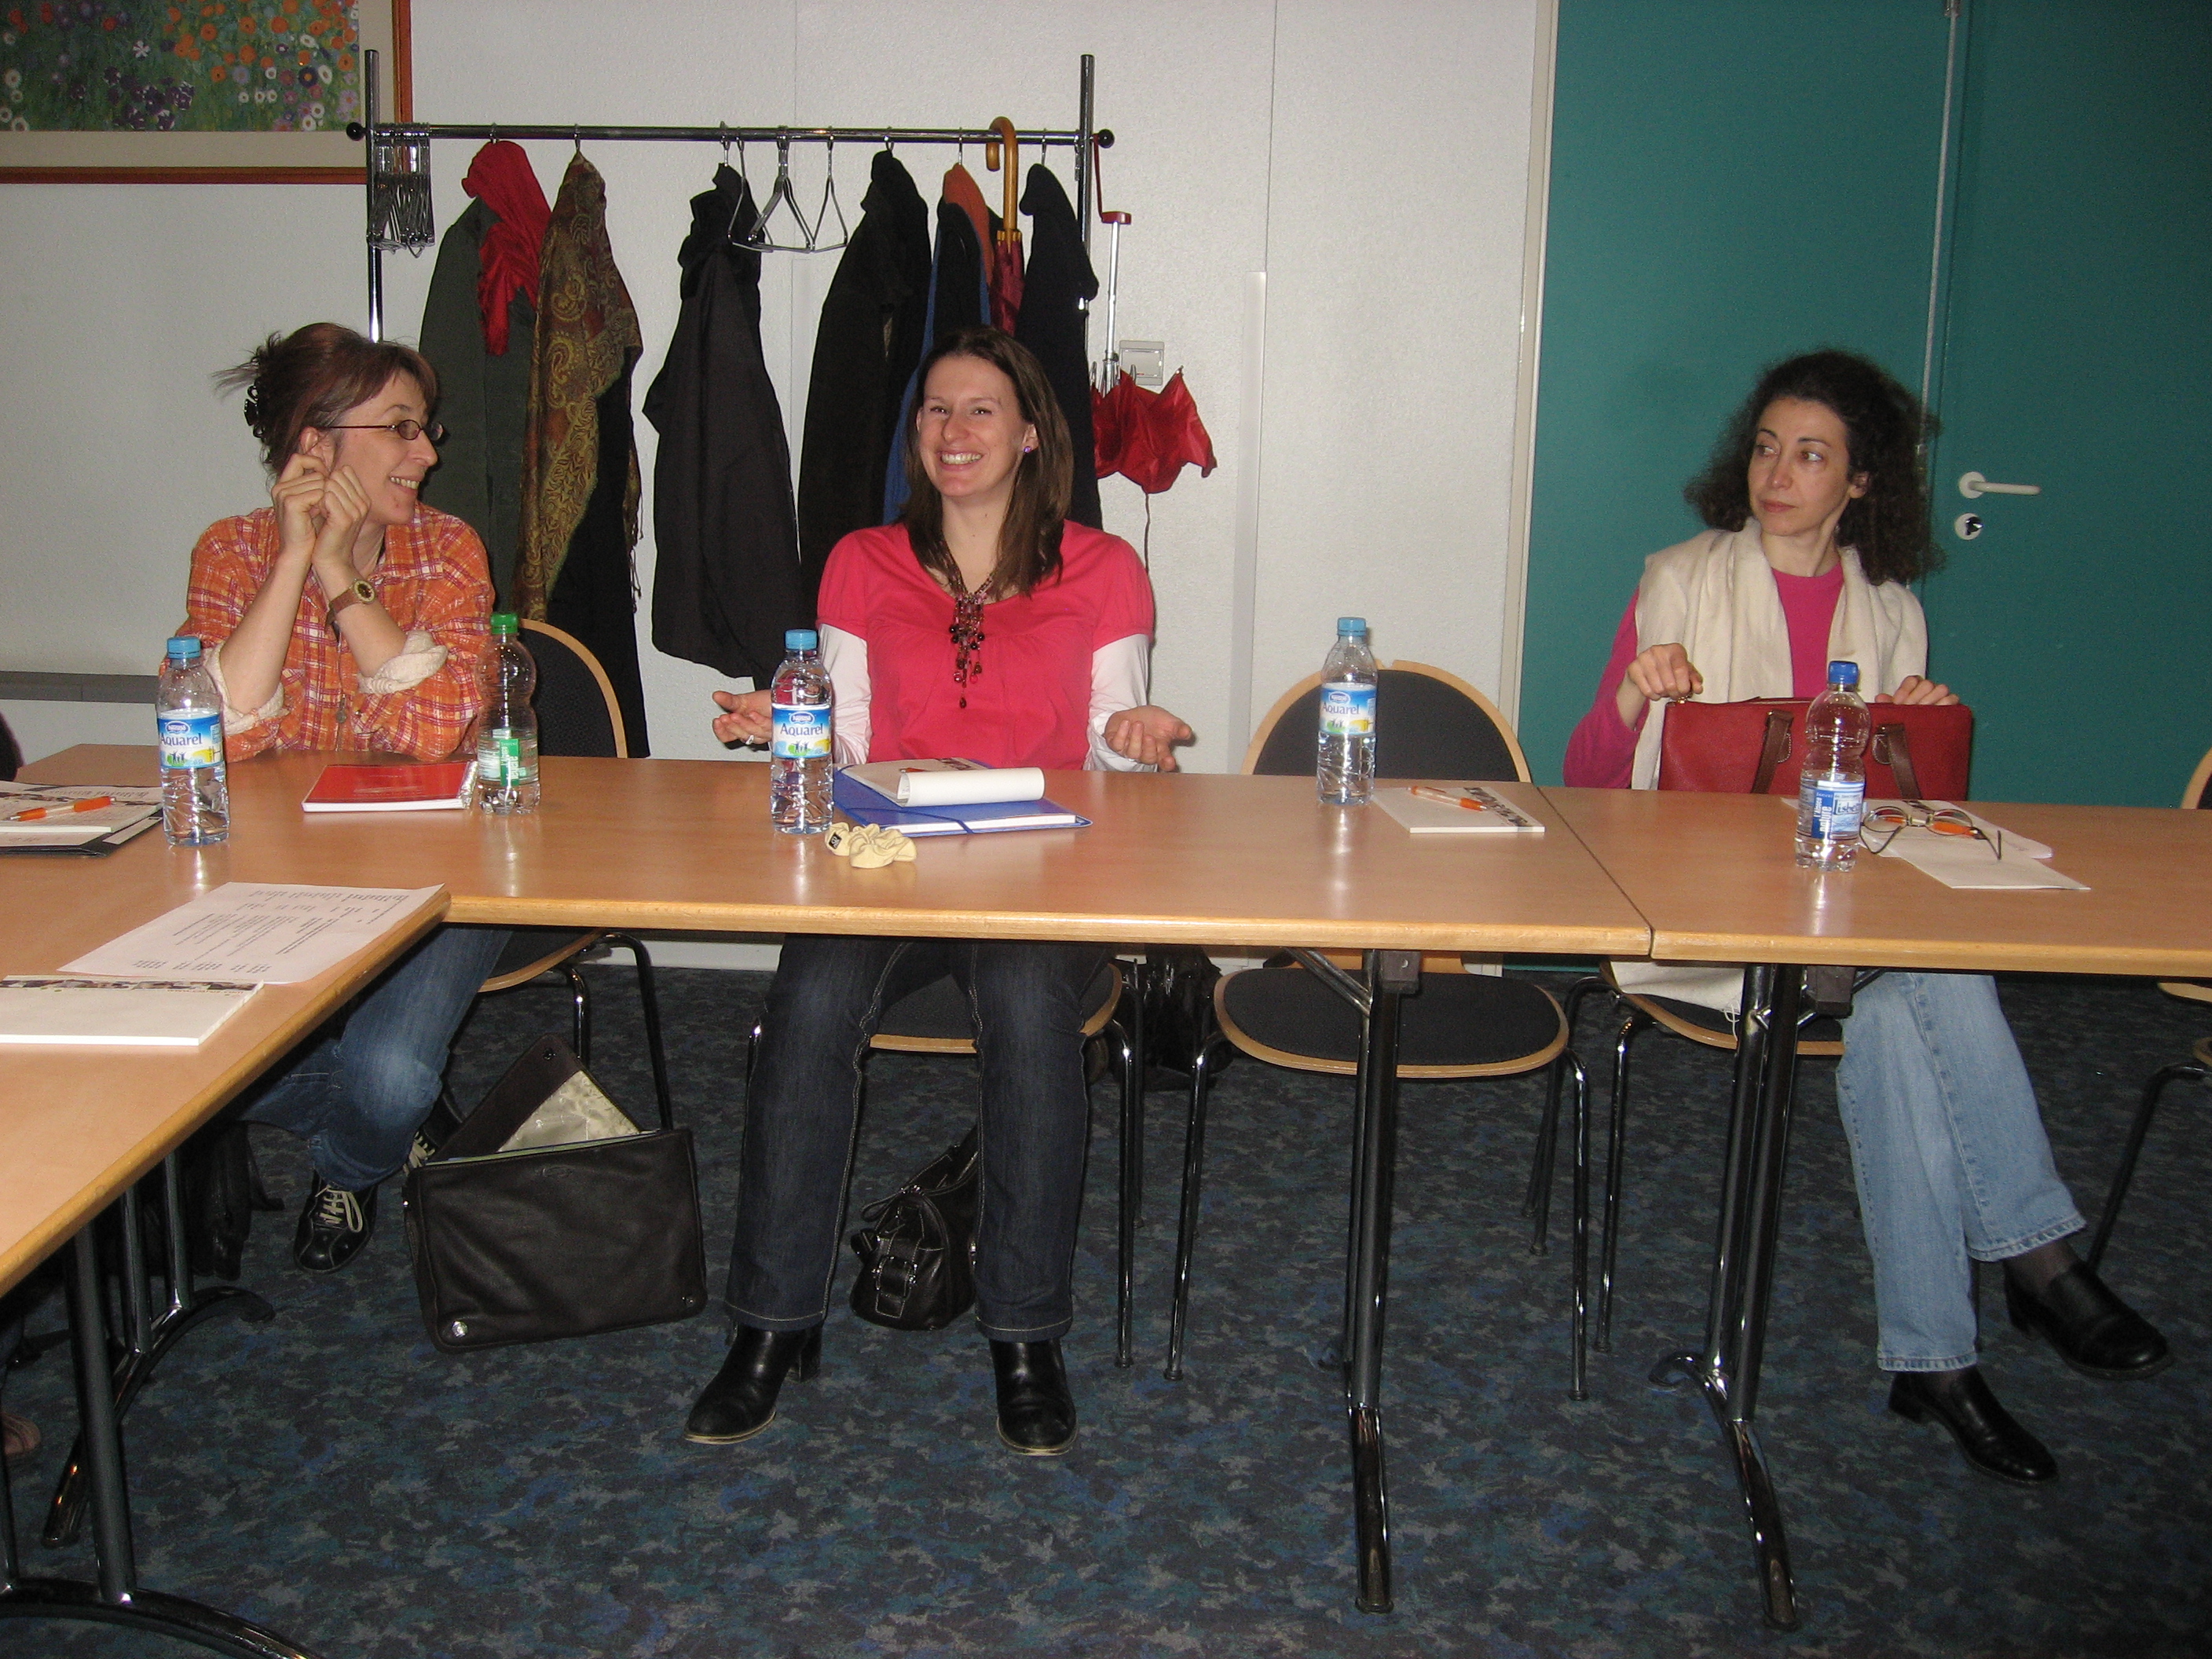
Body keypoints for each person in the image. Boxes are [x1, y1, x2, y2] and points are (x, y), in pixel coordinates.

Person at [1564, 349, 2167, 1485]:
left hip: (1847, 921)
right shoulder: (1679, 579)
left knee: (1902, 1009)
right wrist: (1637, 693)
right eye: (1765, 447)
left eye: (1810, 455)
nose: (1777, 473)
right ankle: (2040, 1261)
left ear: (1859, 483)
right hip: (1707, 919)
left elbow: (1905, 824)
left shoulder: (1890, 611)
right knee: (1933, 981)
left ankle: (1936, 1360)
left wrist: (1922, 730)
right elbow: (1590, 781)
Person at [690, 327, 1192, 1456]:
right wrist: (792, 728)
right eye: (934, 410)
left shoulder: (1103, 569)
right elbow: (850, 739)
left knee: (1024, 1004)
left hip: (1039, 870)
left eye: (979, 411)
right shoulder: (861, 562)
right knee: (809, 1002)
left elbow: (1108, 754)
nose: (952, 431)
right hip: (891, 862)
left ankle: (1025, 1333)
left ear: (1029, 435)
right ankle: (770, 1323)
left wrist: (1130, 740)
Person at [184, 322, 509, 1273]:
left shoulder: (447, 549)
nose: (428, 451)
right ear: (315, 446)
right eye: (401, 428)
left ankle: (354, 1162)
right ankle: (396, 1126)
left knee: (392, 1073)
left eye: (425, 427)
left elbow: (437, 728)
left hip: (445, 875)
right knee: (184, 1058)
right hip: (276, 876)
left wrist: (336, 570)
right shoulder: (230, 550)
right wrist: (292, 558)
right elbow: (217, 735)